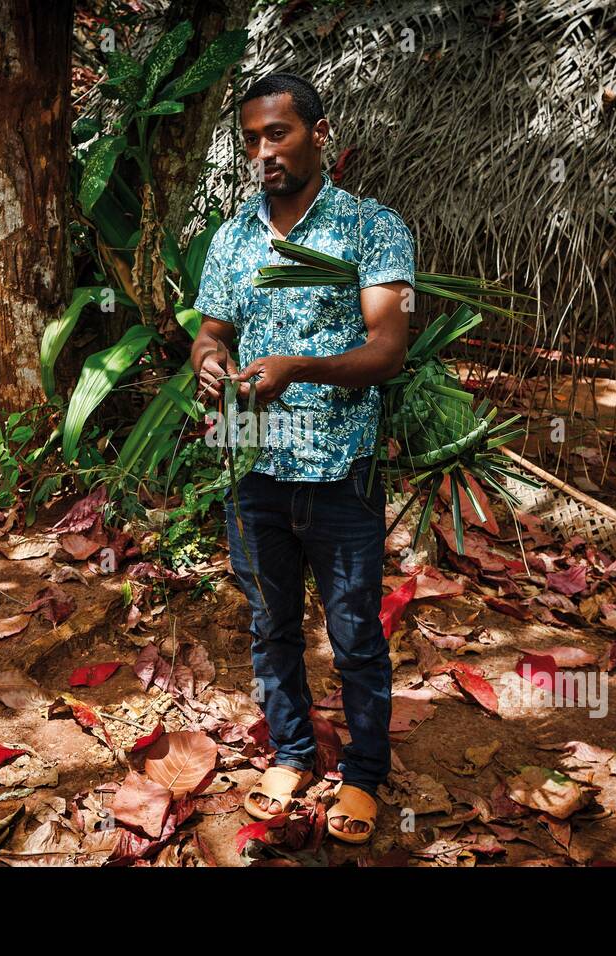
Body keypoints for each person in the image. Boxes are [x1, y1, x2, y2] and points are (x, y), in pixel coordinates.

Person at [190, 72, 415, 844]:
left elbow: (388, 348)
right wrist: (208, 357)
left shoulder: (373, 228)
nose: (264, 151)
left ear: (319, 133)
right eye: (251, 138)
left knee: (353, 631)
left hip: (340, 468)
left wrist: (298, 367)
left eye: (278, 133)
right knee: (270, 624)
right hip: (252, 466)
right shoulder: (232, 238)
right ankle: (291, 752)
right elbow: (212, 329)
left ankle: (364, 774)